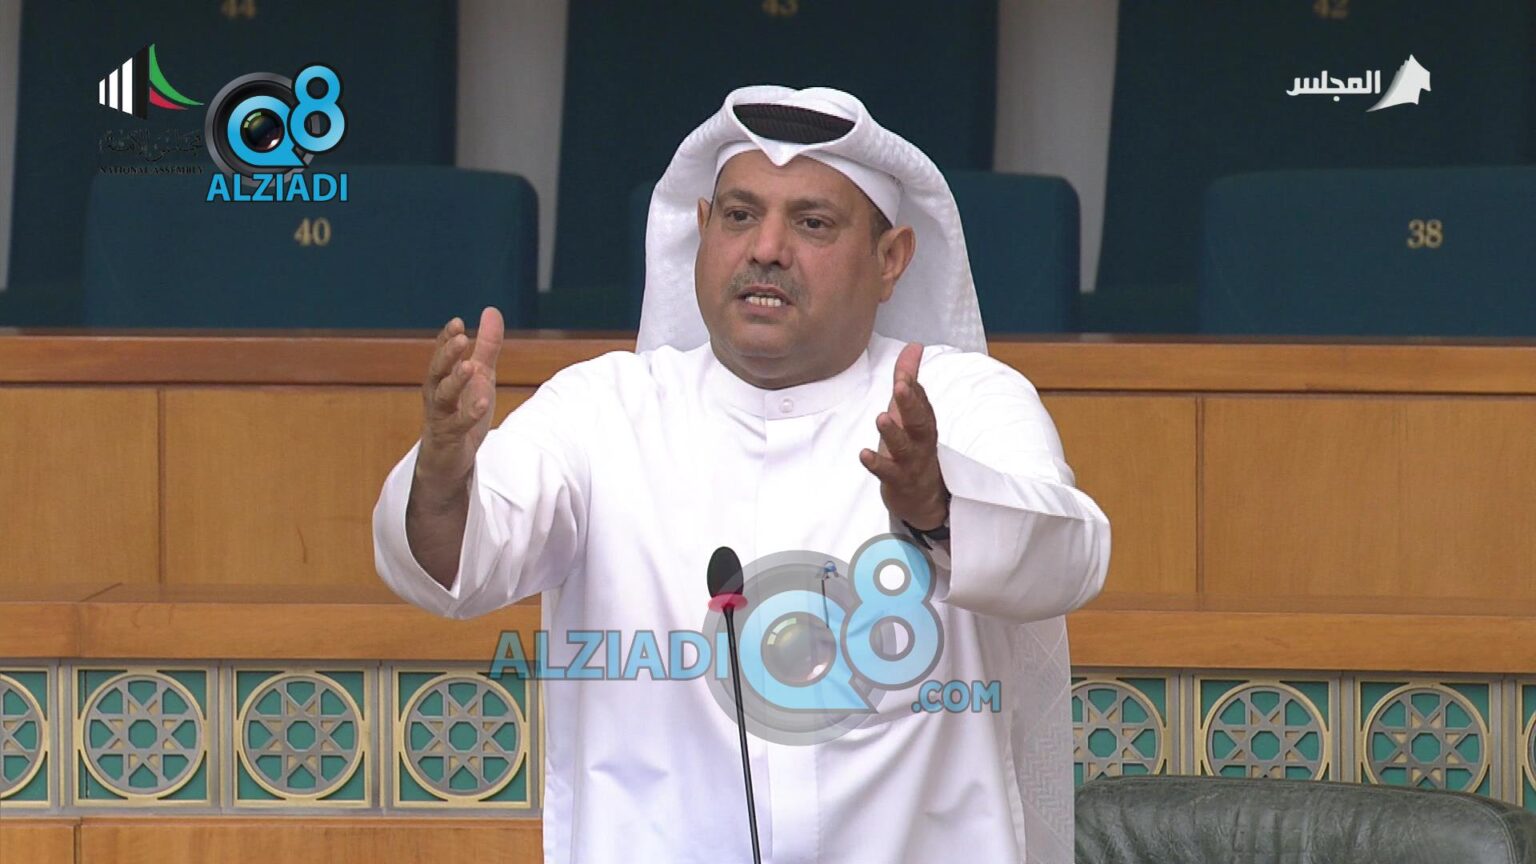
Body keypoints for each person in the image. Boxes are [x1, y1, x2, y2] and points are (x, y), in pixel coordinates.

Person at [374, 85, 1110, 864]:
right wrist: (445, 470)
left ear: (890, 259)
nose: (766, 248)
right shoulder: (603, 409)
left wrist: (939, 507)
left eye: (812, 223)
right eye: (738, 215)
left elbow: (1070, 561)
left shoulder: (962, 402)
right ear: (702, 229)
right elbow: (459, 567)